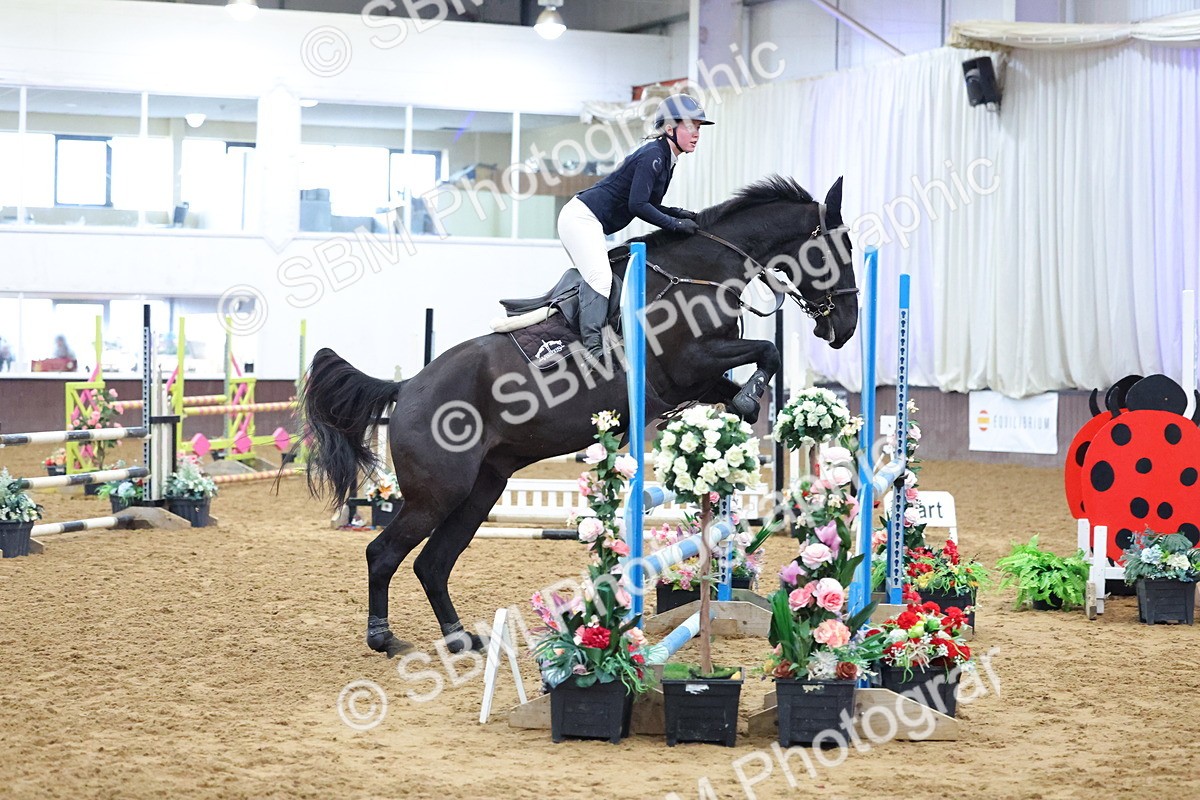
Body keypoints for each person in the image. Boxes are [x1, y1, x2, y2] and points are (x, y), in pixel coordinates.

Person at [557, 93, 714, 360]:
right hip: (581, 219)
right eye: (690, 126)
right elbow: (638, 206)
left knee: (605, 278)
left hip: (589, 220)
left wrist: (684, 215)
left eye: (698, 127)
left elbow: (652, 204)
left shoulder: (666, 158)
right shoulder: (653, 155)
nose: (696, 133)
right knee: (600, 278)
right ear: (669, 128)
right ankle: (593, 352)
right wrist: (675, 225)